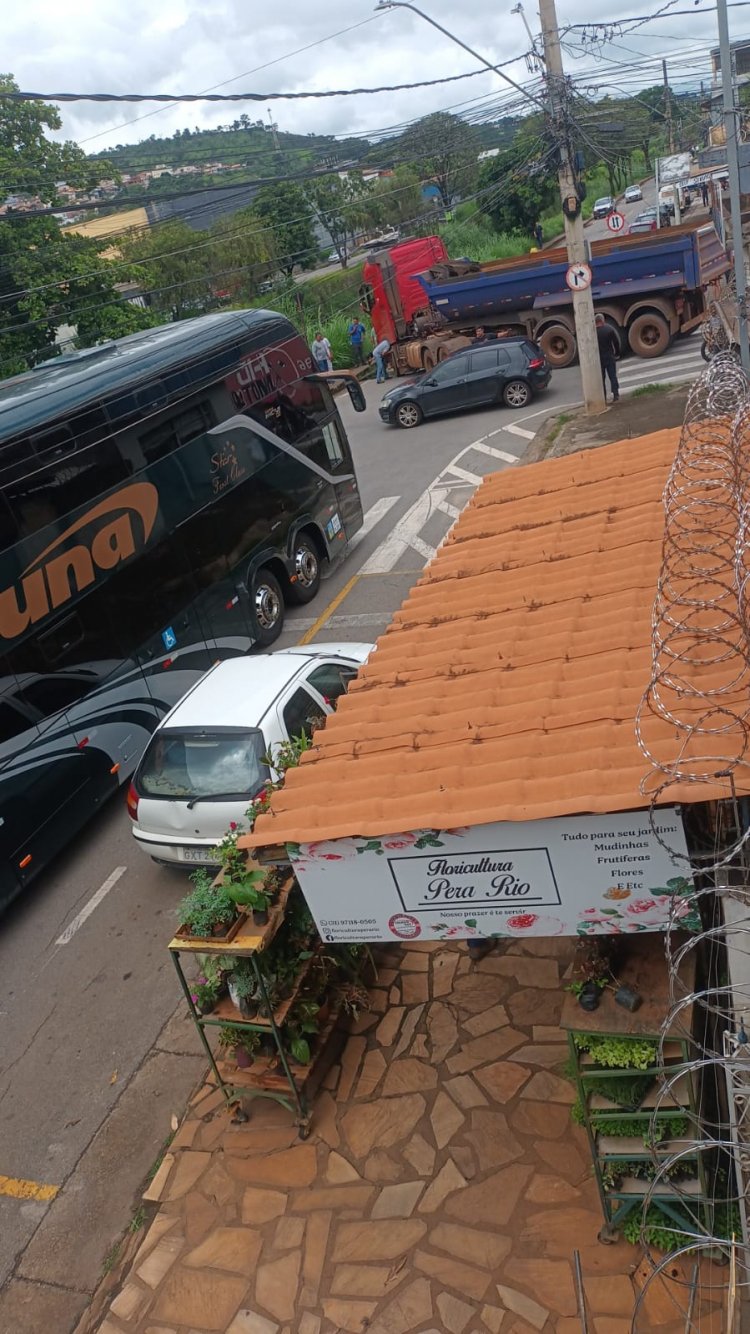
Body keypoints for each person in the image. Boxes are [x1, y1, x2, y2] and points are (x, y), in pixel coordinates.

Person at [595, 313, 619, 402]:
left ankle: (603, 397)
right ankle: (615, 394)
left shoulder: (593, 332)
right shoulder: (609, 330)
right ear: (603, 320)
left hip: (599, 359)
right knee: (612, 376)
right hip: (609, 356)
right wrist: (617, 353)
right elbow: (616, 342)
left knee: (602, 378)